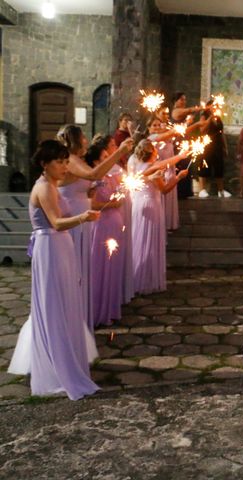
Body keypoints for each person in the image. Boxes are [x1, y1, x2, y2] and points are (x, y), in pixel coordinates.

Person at [8, 140, 100, 400]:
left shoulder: (53, 185)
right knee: (54, 306)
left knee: (64, 303)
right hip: (50, 248)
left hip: (59, 248)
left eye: (64, 160)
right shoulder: (44, 188)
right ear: (43, 164)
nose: (63, 166)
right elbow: (57, 223)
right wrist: (83, 217)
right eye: (58, 162)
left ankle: (61, 357)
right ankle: (56, 367)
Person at [57, 125, 133, 329]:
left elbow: (86, 186)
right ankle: (73, 321)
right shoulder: (70, 160)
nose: (85, 141)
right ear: (74, 140)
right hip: (73, 218)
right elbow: (93, 174)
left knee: (84, 271)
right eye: (82, 137)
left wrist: (90, 192)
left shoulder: (76, 160)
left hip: (85, 219)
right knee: (76, 272)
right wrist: (120, 152)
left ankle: (82, 318)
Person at [128, 140, 189, 294]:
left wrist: (181, 156)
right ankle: (145, 280)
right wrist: (179, 177)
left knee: (138, 241)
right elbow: (165, 189)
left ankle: (135, 278)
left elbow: (165, 163)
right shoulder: (151, 168)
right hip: (151, 206)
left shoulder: (134, 163)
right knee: (148, 243)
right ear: (152, 153)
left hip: (137, 205)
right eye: (155, 150)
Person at [86, 136, 125, 328]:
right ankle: (98, 311)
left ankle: (110, 308)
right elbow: (92, 203)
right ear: (95, 162)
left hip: (115, 224)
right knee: (102, 266)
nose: (108, 159)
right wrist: (112, 203)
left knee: (113, 267)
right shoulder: (94, 180)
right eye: (104, 157)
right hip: (102, 226)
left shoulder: (110, 176)